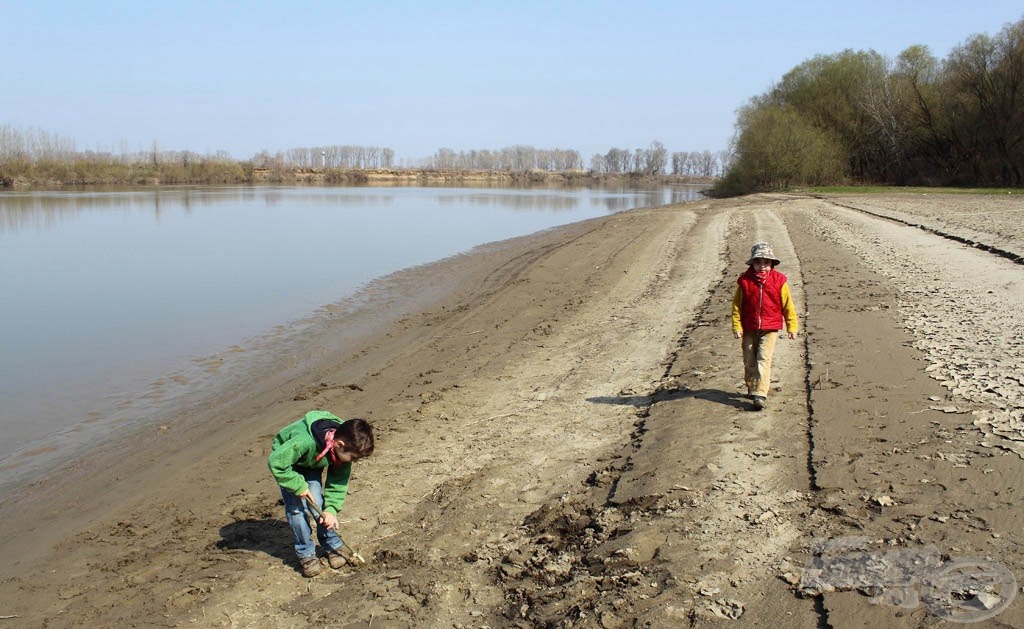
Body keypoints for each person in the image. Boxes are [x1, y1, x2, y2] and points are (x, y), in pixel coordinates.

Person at [268, 410, 375, 577]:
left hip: (311, 463)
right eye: (353, 458)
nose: (353, 462)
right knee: (297, 511)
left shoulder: (346, 445)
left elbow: (337, 483)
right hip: (288, 466)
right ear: (339, 445)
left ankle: (331, 543)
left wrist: (331, 510)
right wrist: (298, 486)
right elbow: (277, 463)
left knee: (317, 502)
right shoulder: (303, 441)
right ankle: (306, 554)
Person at [731, 242, 799, 410]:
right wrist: (737, 326)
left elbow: (788, 306)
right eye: (758, 262)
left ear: (772, 264)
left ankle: (760, 393)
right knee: (749, 360)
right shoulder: (745, 282)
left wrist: (792, 327)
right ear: (752, 263)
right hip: (749, 327)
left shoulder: (779, 281)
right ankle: (752, 385)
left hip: (770, 328)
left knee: (763, 358)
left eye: (766, 263)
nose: (762, 266)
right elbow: (736, 306)